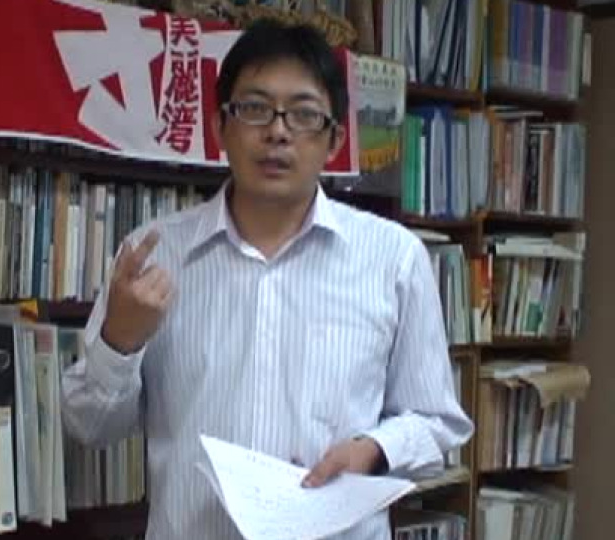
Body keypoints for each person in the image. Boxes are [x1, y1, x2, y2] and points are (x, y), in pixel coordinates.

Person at [61, 18, 473, 540]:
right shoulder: (154, 255)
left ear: (334, 140)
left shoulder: (394, 258)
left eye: (304, 114)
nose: (278, 131)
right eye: (255, 108)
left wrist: (374, 450)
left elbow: (437, 423)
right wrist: (118, 341)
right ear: (221, 126)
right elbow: (89, 426)